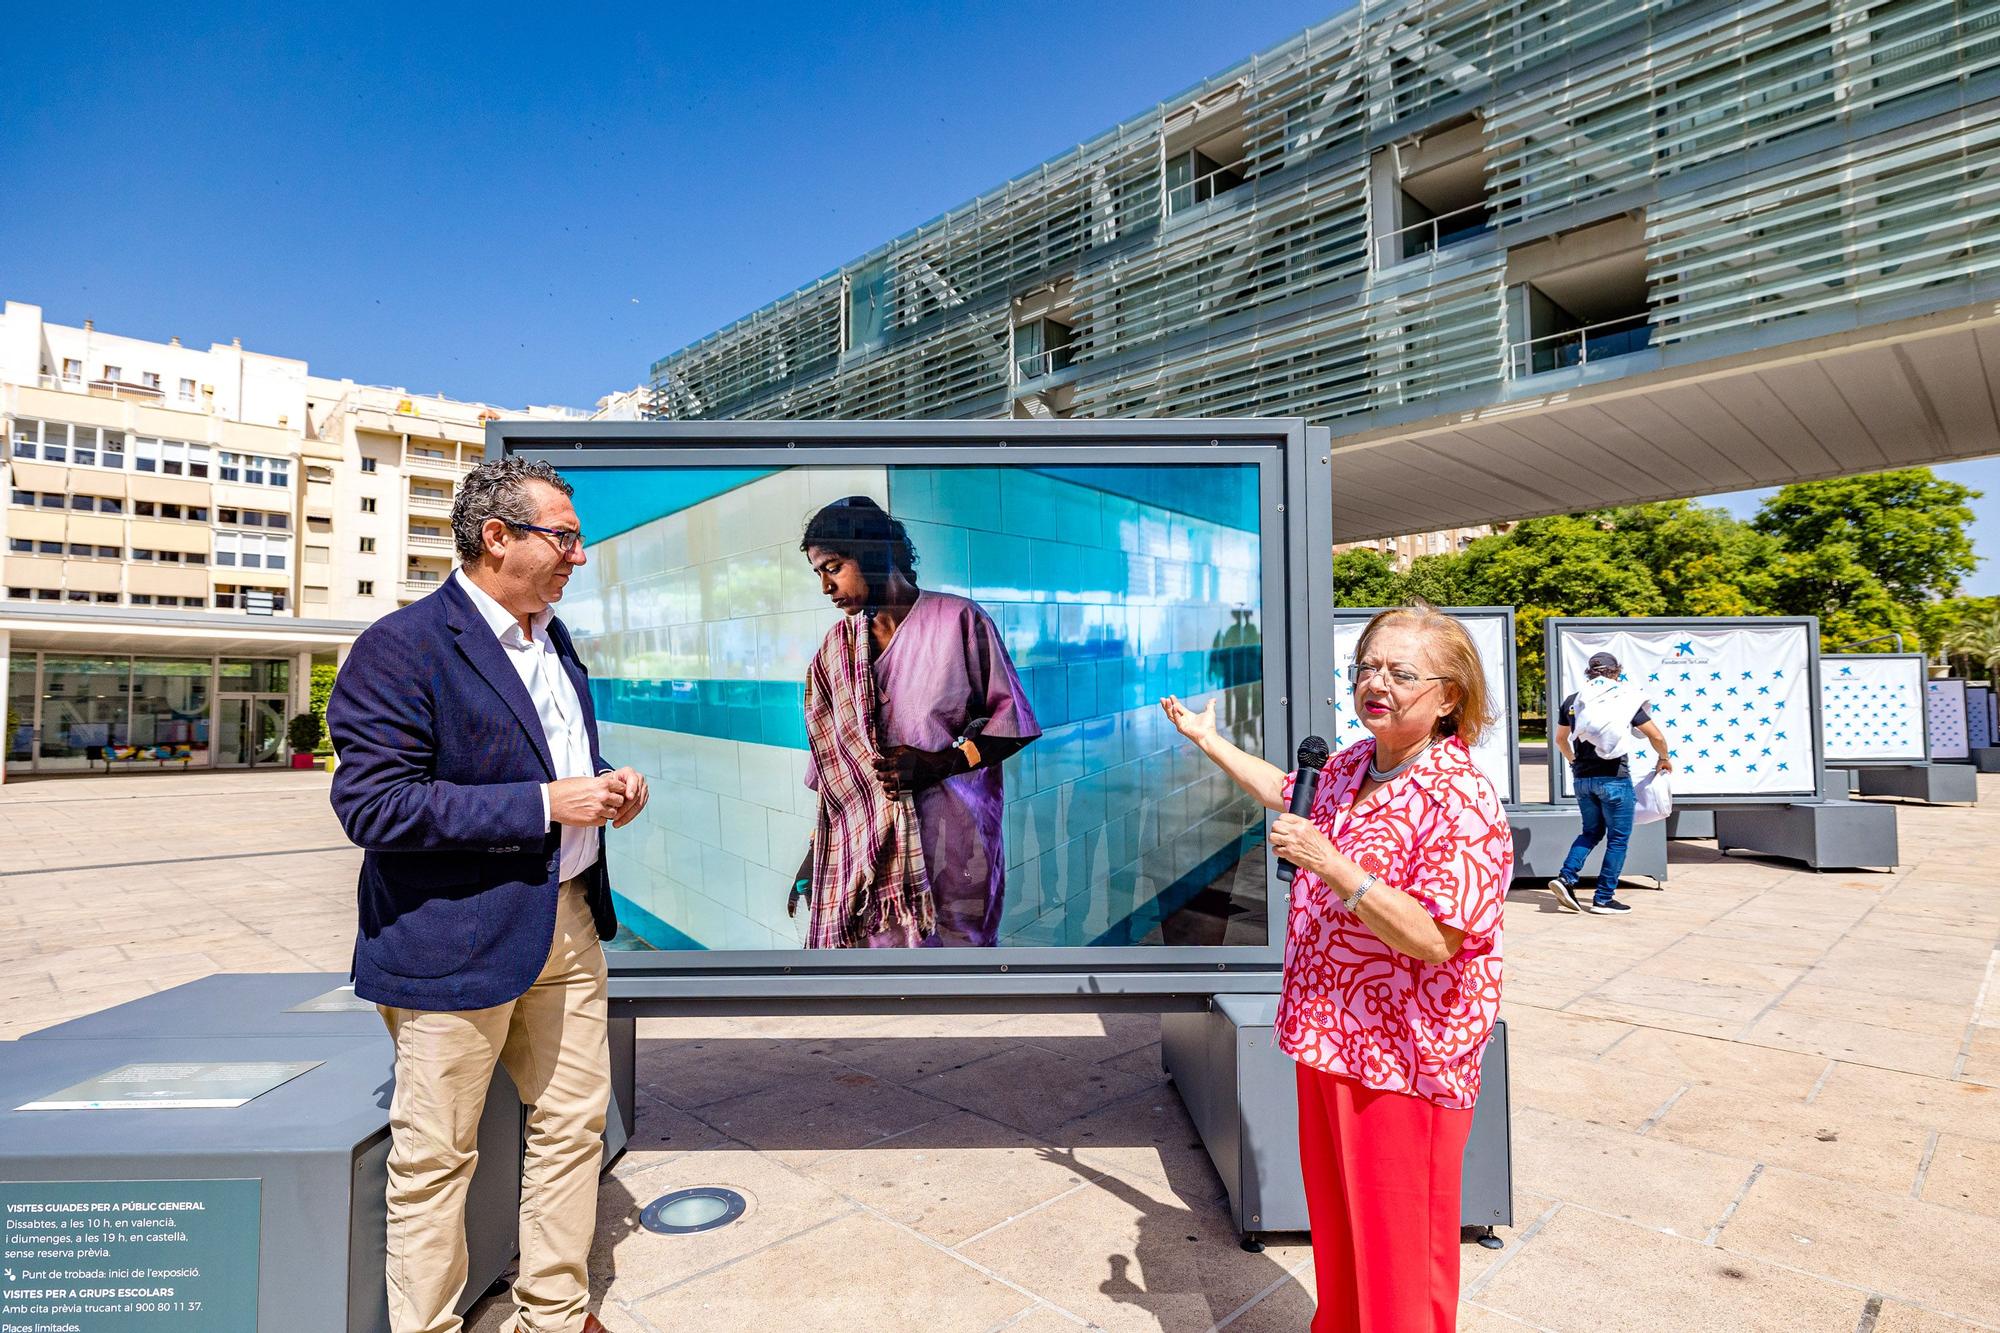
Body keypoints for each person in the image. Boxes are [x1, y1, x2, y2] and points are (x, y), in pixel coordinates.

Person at [328, 456, 648, 1333]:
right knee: (436, 1159)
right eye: (565, 537)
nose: (578, 557)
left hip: (569, 921)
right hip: (452, 939)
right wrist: (551, 803)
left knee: (573, 1128)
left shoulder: (553, 637)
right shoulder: (400, 647)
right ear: (496, 537)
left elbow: (547, 765)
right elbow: (374, 805)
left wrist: (605, 789)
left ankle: (553, 1311)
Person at [1162, 604, 1510, 1333]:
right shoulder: (1354, 762)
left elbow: (1438, 937)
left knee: (1400, 1250)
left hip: (1404, 1060)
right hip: (1328, 1040)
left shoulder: (1460, 796)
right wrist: (1209, 740)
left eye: (1400, 671)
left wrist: (1332, 864)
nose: (1375, 682)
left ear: (1449, 695)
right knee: (1343, 1225)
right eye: (1367, 667)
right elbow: (1284, 789)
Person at [793, 495, 1040, 947]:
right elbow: (837, 778)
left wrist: (939, 763)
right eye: (818, 573)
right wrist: (817, 853)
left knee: (956, 980)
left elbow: (1015, 723)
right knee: (886, 996)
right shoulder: (836, 651)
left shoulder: (958, 621)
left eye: (832, 566)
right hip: (869, 866)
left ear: (871, 552)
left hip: (953, 843)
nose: (825, 586)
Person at [1548, 650, 1673, 915]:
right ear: (1615, 671)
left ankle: (1565, 878)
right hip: (1613, 778)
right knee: (1618, 839)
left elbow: (1560, 739)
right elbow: (1656, 736)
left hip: (1582, 779)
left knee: (1591, 832)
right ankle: (1603, 898)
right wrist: (1663, 757)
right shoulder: (1623, 698)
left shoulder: (1573, 700)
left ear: (1589, 673)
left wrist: (1573, 762)